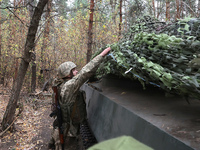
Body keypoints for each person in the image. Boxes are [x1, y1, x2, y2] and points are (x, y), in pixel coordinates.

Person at [48, 47, 111, 150]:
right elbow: (85, 72)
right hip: (69, 132)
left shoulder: (59, 84)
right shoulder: (69, 86)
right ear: (68, 74)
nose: (77, 72)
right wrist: (102, 55)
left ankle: (52, 143)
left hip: (63, 126)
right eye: (74, 70)